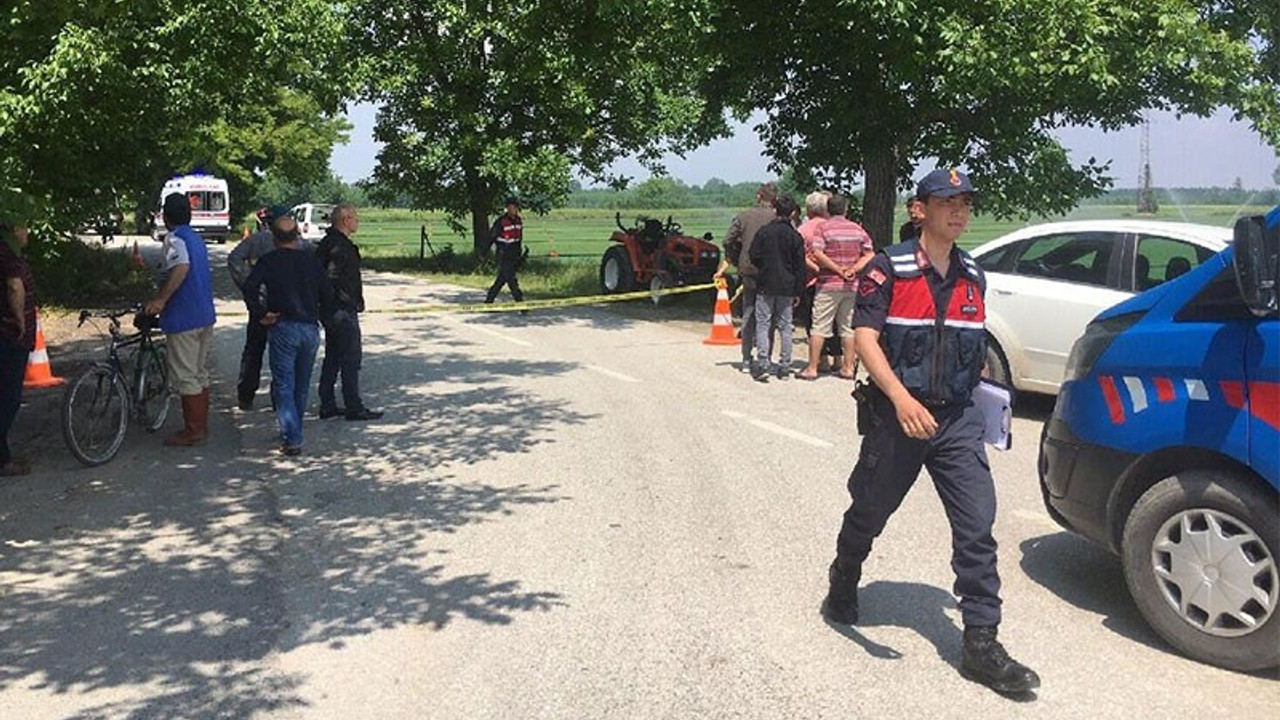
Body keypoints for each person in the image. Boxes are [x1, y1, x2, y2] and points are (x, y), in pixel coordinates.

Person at [820, 169, 1040, 695]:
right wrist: (900, 399)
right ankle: (844, 575)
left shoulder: (972, 274)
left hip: (957, 420)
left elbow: (968, 342)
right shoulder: (887, 268)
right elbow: (866, 338)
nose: (959, 212)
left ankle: (981, 643)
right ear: (920, 209)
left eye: (965, 203)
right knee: (869, 508)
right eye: (948, 202)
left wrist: (983, 385)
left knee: (977, 526)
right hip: (898, 417)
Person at [242, 216, 333, 455]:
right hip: (309, 327)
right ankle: (295, 428)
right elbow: (328, 292)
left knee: (283, 384)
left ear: (273, 238)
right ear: (297, 235)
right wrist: (320, 312)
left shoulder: (268, 261)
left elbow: (250, 286)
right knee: (301, 384)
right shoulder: (312, 261)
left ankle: (292, 436)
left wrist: (261, 312)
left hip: (283, 325)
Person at [145, 193, 216, 447]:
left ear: (166, 216)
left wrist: (161, 300)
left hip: (183, 316)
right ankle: (202, 426)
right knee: (198, 373)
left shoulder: (175, 239)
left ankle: (193, 430)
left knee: (186, 376)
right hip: (204, 314)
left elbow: (181, 266)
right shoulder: (196, 238)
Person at [228, 204, 308, 411]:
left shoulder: (256, 240)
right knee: (283, 355)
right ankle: (279, 398)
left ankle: (245, 395)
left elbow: (234, 258)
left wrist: (247, 284)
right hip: (288, 304)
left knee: (253, 350)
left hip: (260, 303)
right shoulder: (300, 244)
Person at [316, 203, 383, 421]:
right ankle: (354, 406)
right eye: (355, 217)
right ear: (345, 220)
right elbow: (332, 278)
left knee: (333, 357)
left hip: (332, 310)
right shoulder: (338, 246)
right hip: (341, 311)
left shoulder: (330, 242)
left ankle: (327, 404)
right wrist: (347, 301)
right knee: (351, 358)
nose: (357, 221)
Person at [803, 194, 874, 380]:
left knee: (819, 325)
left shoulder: (823, 228)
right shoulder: (857, 229)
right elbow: (869, 254)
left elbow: (817, 252)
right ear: (846, 209)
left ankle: (812, 368)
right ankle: (848, 367)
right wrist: (853, 269)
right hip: (852, 284)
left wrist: (835, 268)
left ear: (828, 209)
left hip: (828, 283)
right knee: (848, 327)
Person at [715, 182, 777, 371]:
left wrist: (737, 255)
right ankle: (766, 357)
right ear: (774, 198)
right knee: (770, 315)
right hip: (772, 271)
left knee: (749, 312)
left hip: (749, 269)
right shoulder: (779, 218)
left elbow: (727, 240)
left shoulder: (744, 216)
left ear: (758, 196)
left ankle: (746, 358)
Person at [746, 195, 807, 381]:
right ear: (793, 212)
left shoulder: (764, 232)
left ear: (775, 209)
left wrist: (763, 266)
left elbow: (753, 254)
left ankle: (763, 362)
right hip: (787, 286)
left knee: (763, 324)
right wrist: (799, 290)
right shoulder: (795, 236)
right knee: (785, 326)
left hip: (765, 283)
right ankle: (785, 366)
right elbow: (800, 266)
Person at [0, 223, 35, 476]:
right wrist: (20, 319)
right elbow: (14, 286)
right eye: (24, 228)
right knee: (8, 400)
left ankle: (4, 457)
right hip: (10, 336)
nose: (27, 233)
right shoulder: (9, 256)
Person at [485, 197, 526, 308]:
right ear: (507, 208)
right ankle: (521, 304)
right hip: (504, 254)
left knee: (502, 279)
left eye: (516, 207)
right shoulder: (501, 222)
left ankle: (488, 302)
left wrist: (520, 252)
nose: (514, 209)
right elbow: (491, 238)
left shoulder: (518, 220)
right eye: (512, 207)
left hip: (514, 254)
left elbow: (519, 238)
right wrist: (484, 252)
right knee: (512, 280)